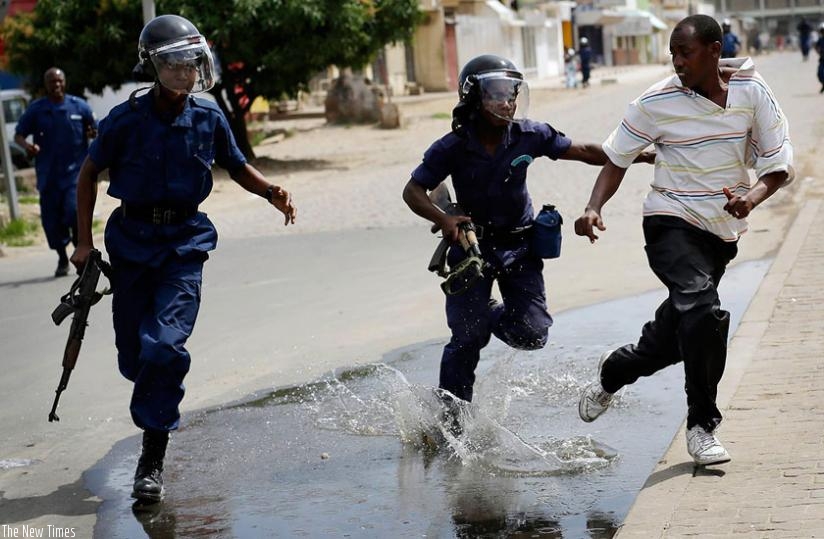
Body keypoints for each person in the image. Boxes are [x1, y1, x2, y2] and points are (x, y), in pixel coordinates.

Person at [70, 14, 297, 502]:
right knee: (135, 356)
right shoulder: (124, 121)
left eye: (192, 63)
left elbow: (236, 166)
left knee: (163, 347)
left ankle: (151, 460)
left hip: (184, 245)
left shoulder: (209, 116)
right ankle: (152, 391)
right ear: (153, 66)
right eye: (174, 63)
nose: (185, 72)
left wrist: (271, 191)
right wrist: (82, 243)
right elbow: (88, 173)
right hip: (130, 242)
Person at [574, 15, 793, 466]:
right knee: (702, 310)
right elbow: (617, 157)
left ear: (714, 51)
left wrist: (750, 198)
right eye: (672, 54)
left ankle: (613, 373)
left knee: (673, 339)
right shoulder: (655, 102)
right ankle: (701, 426)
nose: (677, 62)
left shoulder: (753, 94)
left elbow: (777, 165)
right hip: (669, 220)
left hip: (720, 232)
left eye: (685, 53)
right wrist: (595, 206)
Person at [402, 54, 653, 409]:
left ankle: (490, 312)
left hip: (520, 246)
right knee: (466, 339)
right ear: (474, 98)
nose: (507, 102)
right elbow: (413, 191)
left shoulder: (529, 135)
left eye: (512, 94)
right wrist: (444, 219)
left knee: (533, 335)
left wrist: (633, 155)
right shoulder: (451, 147)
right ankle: (452, 417)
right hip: (472, 249)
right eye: (496, 94)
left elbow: (581, 150)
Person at [14, 68, 97, 277]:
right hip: (48, 175)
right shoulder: (36, 109)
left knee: (73, 212)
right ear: (46, 85)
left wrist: (93, 132)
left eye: (59, 81)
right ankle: (61, 257)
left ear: (65, 82)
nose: (56, 85)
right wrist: (27, 147)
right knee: (51, 222)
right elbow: (18, 135)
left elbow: (94, 128)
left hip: (75, 175)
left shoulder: (79, 106)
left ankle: (81, 254)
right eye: (52, 82)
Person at [816, 23, 824, 93]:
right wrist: (819, 52)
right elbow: (816, 47)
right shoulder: (820, 39)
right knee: (820, 74)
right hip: (822, 60)